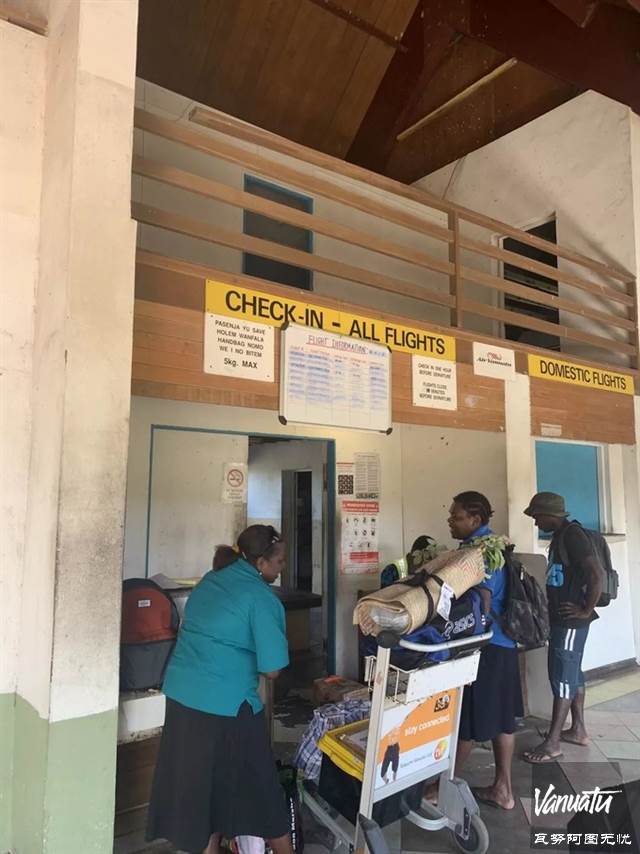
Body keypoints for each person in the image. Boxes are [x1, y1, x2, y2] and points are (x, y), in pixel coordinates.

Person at [146, 525, 292, 854]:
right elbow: (272, 670)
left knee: (203, 791)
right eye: (280, 561)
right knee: (263, 789)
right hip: (226, 704)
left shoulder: (210, 581)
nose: (283, 567)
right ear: (260, 563)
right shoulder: (260, 597)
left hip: (183, 699)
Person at [426, 490, 523, 810]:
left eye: (456, 516)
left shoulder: (481, 553)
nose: (450, 520)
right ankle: (503, 789)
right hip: (503, 644)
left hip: (487, 646)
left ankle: (440, 788)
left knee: (466, 721)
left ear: (475, 519)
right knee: (503, 719)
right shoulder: (487, 546)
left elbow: (481, 600)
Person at [522, 492, 602, 764]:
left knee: (562, 679)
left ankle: (553, 742)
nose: (536, 523)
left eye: (537, 517)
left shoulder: (573, 536)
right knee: (572, 674)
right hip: (564, 620)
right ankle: (578, 729)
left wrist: (586, 609)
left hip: (570, 622)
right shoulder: (561, 536)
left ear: (549, 515)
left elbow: (596, 573)